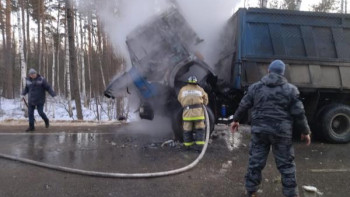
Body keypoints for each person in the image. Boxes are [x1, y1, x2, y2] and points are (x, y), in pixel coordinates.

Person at [230, 60, 311, 197]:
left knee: (255, 161)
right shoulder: (291, 90)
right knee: (286, 165)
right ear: (282, 73)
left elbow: (244, 105)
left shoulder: (255, 87)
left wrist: (236, 120)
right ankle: (291, 194)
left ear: (268, 70)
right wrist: (305, 131)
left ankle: (251, 191)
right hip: (281, 132)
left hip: (260, 131)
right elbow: (299, 113)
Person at [178, 75, 209, 150]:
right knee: (200, 129)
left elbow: (179, 99)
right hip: (198, 114)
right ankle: (200, 147)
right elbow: (206, 99)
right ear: (196, 82)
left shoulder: (183, 89)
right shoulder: (200, 89)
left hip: (187, 114)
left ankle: (187, 146)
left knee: (187, 130)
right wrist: (203, 104)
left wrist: (185, 103)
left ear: (188, 82)